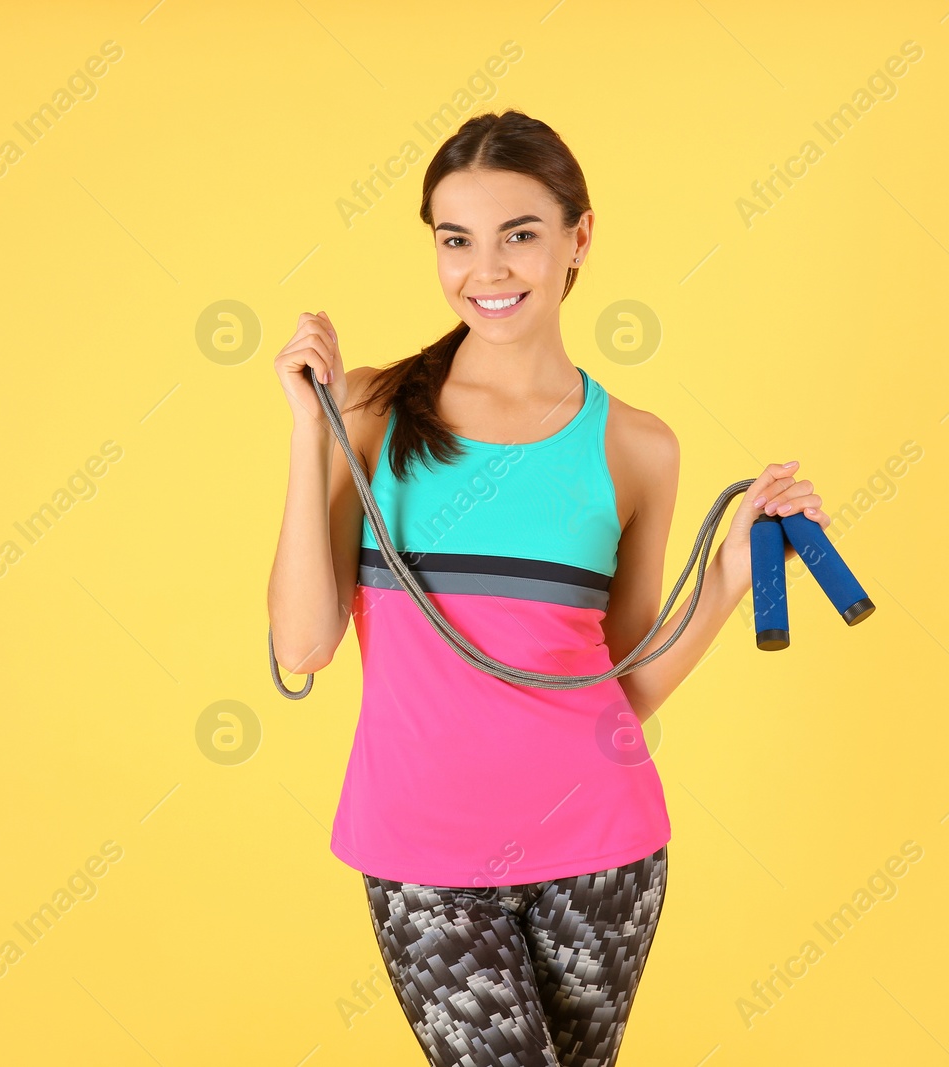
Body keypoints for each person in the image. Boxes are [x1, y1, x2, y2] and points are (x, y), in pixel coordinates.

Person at [266, 109, 831, 1067]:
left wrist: (733, 570)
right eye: (457, 240)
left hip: (603, 853)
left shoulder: (637, 447)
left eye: (519, 235)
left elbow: (624, 687)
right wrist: (305, 431)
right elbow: (302, 646)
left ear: (579, 238)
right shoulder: (366, 409)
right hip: (423, 857)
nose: (487, 270)